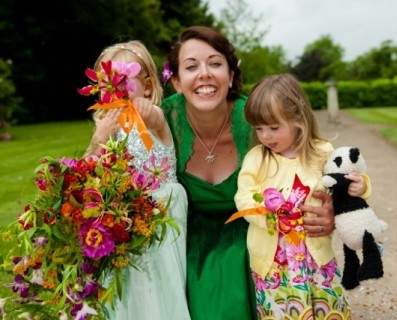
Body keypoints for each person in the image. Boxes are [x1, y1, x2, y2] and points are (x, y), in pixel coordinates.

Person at [161, 26, 336, 320]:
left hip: (254, 234)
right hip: (187, 239)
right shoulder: (160, 121)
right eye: (191, 67)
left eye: (215, 63)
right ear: (177, 82)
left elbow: (309, 163)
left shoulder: (258, 122)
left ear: (230, 75)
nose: (204, 73)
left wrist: (330, 207)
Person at [234, 73, 370, 319]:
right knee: (282, 312)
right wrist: (268, 214)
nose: (265, 136)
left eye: (274, 128)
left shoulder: (322, 153)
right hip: (274, 262)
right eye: (259, 128)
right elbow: (243, 196)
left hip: (315, 257)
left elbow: (345, 183)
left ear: (298, 118)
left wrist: (361, 186)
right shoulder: (257, 157)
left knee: (327, 306)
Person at [83, 40, 191, 320]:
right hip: (125, 219)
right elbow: (87, 171)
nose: (116, 91)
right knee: (128, 286)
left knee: (160, 282)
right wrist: (99, 138)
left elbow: (153, 120)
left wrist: (144, 107)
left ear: (147, 85)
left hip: (161, 215)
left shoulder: (154, 117)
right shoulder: (107, 127)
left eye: (124, 82)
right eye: (109, 84)